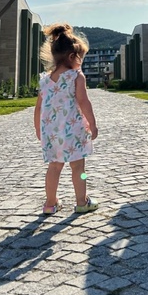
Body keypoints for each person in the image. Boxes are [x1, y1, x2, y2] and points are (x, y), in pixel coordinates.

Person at [34, 23, 99, 214]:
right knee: (78, 167)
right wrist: (92, 124)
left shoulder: (45, 80)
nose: (81, 62)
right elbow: (84, 102)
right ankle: (82, 201)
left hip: (51, 133)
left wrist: (39, 129)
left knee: (54, 167)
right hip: (74, 131)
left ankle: (50, 203)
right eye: (81, 58)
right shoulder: (76, 76)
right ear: (72, 57)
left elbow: (38, 107)